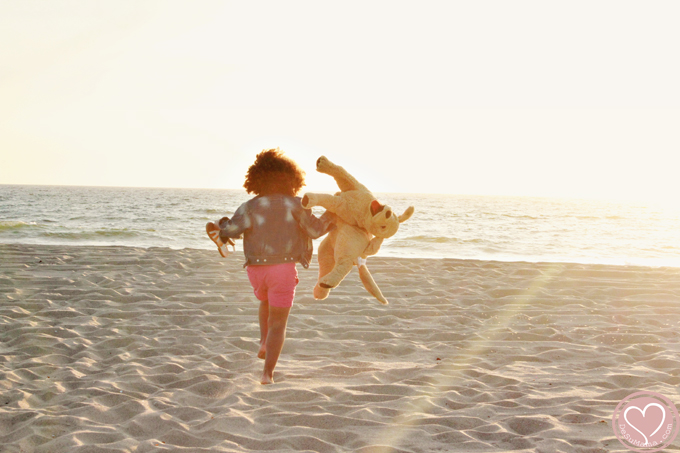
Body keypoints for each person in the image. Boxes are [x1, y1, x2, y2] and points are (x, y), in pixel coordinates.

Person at [206, 149, 335, 385]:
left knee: (264, 301)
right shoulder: (297, 205)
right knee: (279, 323)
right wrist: (332, 214)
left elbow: (231, 231)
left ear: (257, 178)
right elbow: (316, 231)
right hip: (283, 270)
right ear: (291, 178)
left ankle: (263, 341)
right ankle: (268, 374)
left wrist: (222, 225)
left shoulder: (250, 206)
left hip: (255, 270)